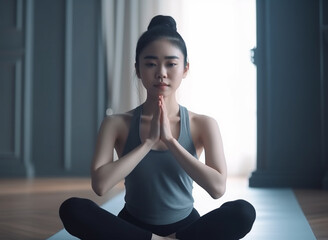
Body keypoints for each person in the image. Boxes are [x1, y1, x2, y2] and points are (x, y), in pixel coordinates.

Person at [59, 15, 256, 240]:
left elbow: (217, 189)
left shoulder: (203, 124)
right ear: (138, 68)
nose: (161, 72)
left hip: (185, 229)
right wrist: (148, 143)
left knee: (243, 212)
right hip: (134, 227)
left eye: (171, 64)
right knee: (72, 209)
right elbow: (100, 186)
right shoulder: (116, 124)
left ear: (185, 68)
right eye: (151, 63)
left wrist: (171, 142)